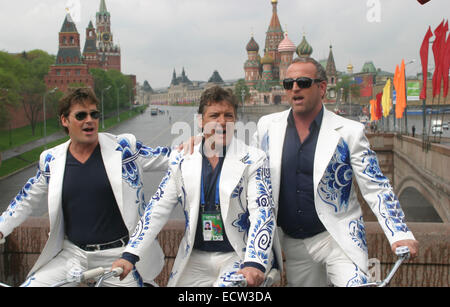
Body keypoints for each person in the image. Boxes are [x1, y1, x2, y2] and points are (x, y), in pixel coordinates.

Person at [252, 57, 419, 287]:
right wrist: (203, 142)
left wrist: (399, 233)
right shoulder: (266, 127)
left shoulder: (350, 131)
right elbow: (249, 171)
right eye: (288, 83)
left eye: (303, 82)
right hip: (293, 243)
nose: (295, 88)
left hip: (338, 239)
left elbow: (376, 185)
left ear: (322, 88)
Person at [112, 86, 282, 287]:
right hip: (195, 256)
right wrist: (130, 254)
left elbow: (262, 211)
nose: (221, 121)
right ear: (201, 121)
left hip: (239, 254)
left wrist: (255, 262)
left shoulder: (253, 159)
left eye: (228, 115)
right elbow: (158, 207)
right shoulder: (182, 159)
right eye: (214, 115)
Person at [0, 88, 172, 287]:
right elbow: (25, 199)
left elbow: (170, 158)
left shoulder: (124, 148)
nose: (89, 120)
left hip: (118, 257)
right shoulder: (51, 160)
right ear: (65, 120)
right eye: (81, 115)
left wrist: (203, 145)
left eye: (94, 114)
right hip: (73, 256)